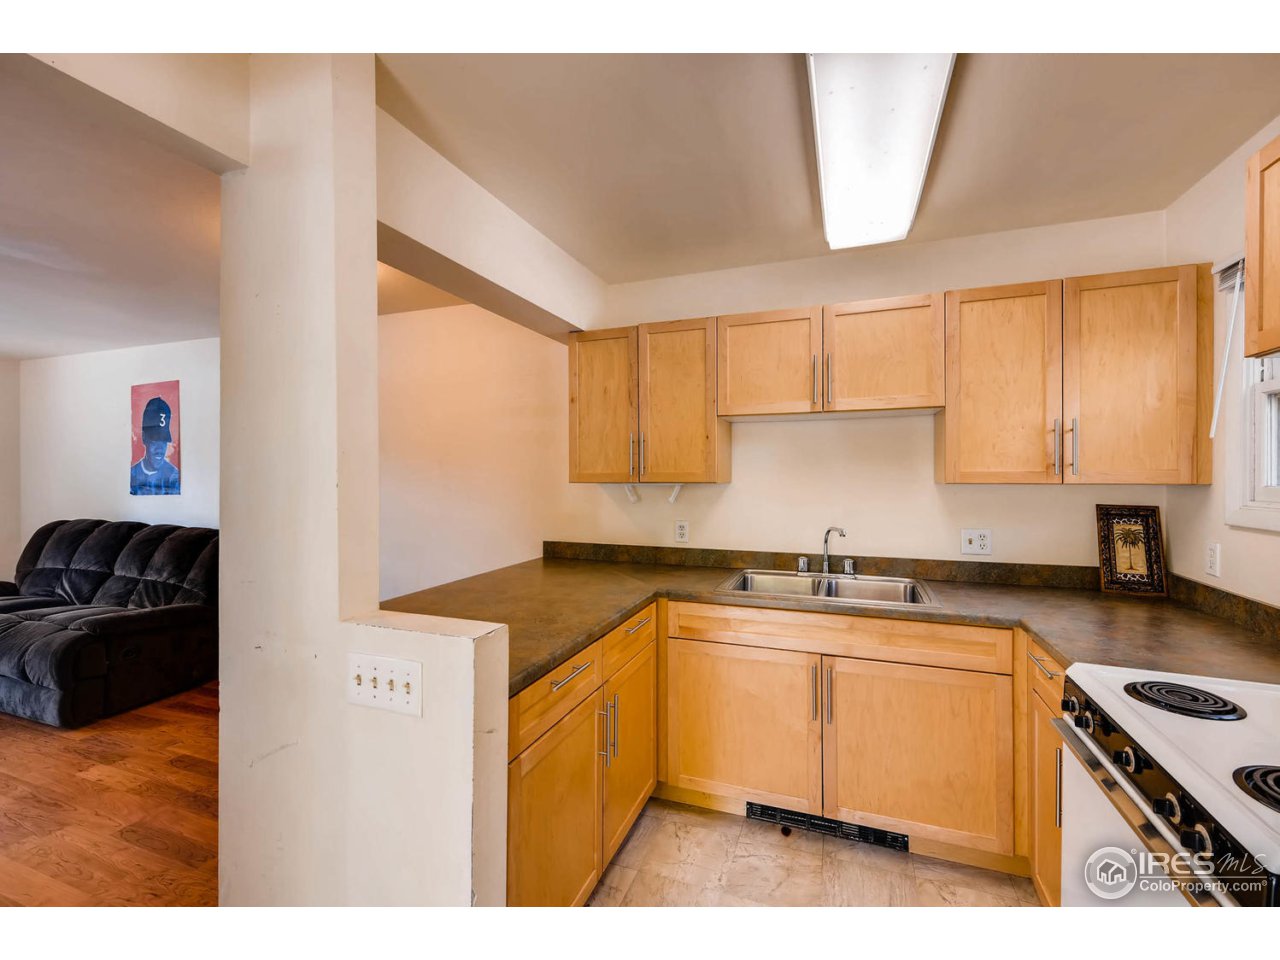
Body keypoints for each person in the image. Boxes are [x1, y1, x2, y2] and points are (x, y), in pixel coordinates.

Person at [130, 396, 180, 495]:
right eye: (154, 441)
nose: (159, 449)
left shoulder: (174, 476)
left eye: (163, 441)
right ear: (144, 438)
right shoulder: (132, 474)